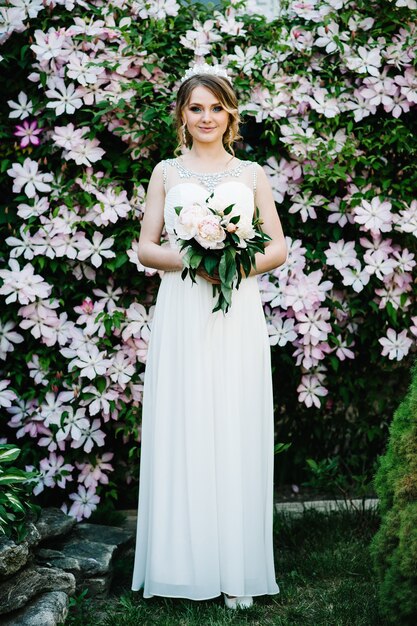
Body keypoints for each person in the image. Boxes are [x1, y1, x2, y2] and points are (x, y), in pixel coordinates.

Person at [131, 62, 287, 610]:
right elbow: (147, 247)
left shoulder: (251, 176)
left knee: (231, 418)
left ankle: (234, 567)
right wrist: (192, 260)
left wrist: (234, 265)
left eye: (215, 107)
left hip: (235, 309)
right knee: (187, 419)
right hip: (182, 307)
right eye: (196, 107)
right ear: (182, 114)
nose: (206, 117)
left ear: (230, 113)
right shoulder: (166, 173)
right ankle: (179, 564)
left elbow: (278, 248)